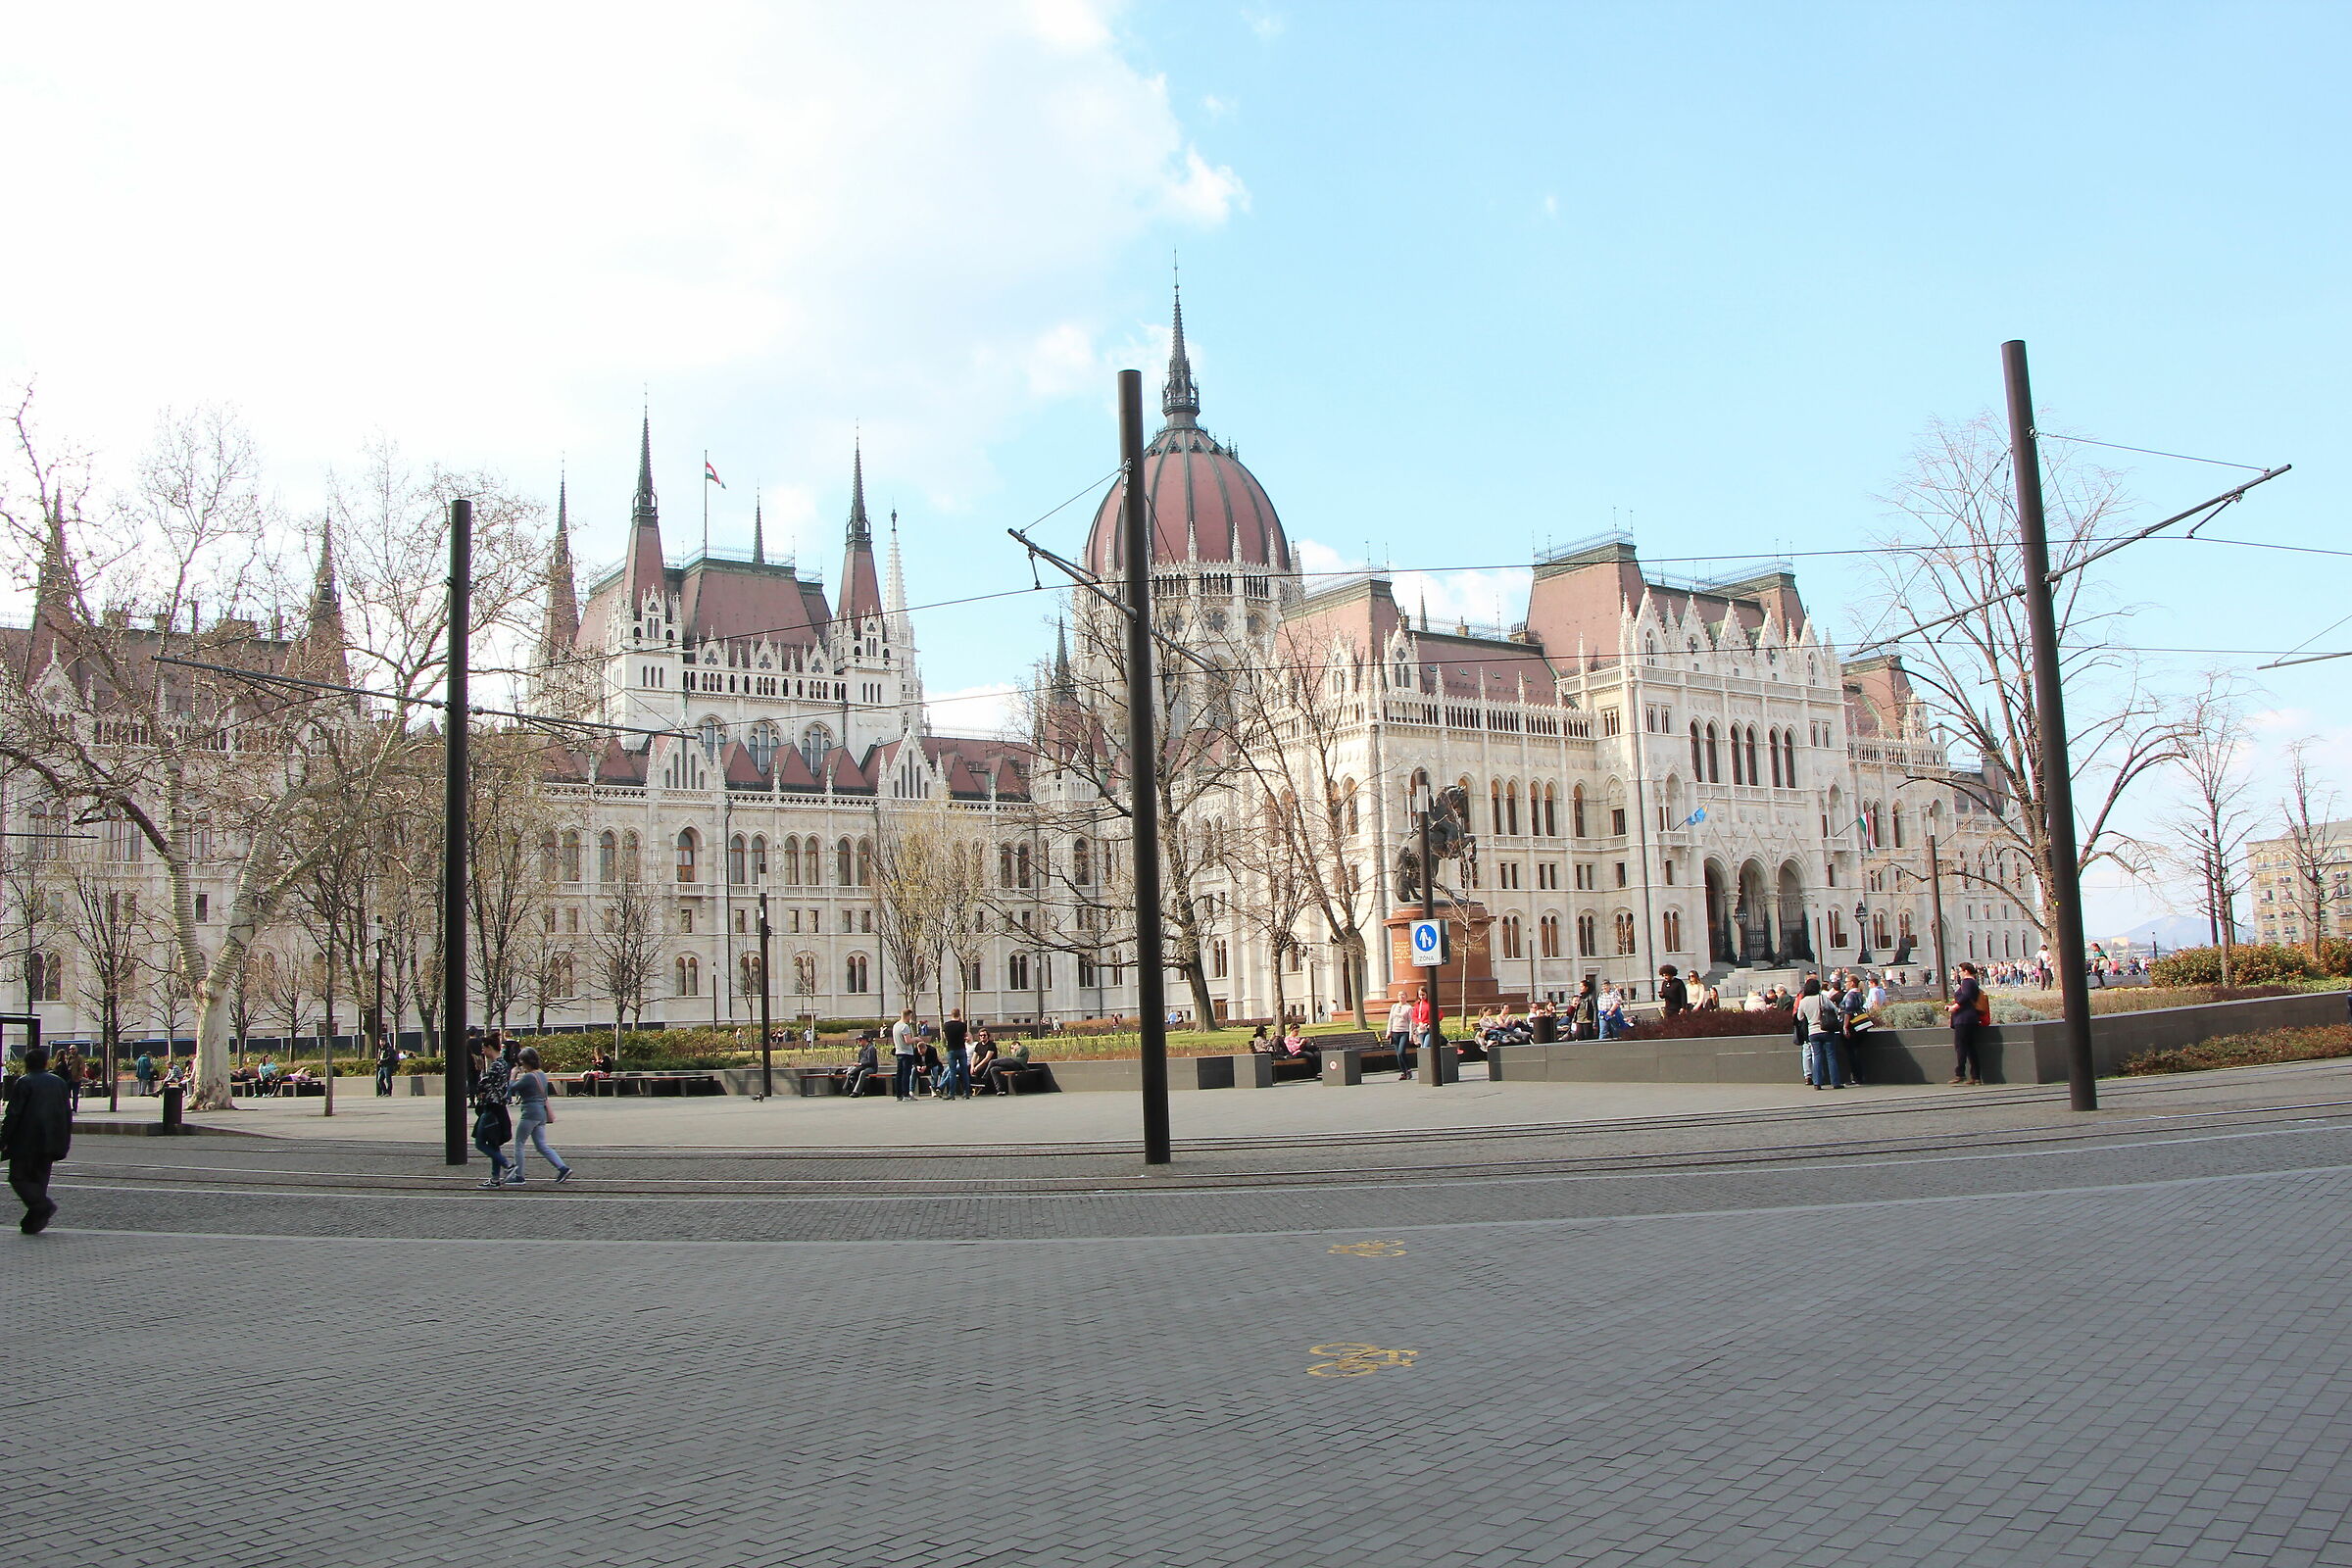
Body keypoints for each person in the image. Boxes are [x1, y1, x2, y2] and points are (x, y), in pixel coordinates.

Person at [2, 1045, 72, 1235]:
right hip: (51, 1139)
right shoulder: (58, 1082)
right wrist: (65, 1138)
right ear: (45, 1062)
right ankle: (33, 1221)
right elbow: (66, 1113)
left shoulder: (25, 1082)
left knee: (18, 1177)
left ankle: (42, 1206)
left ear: (27, 1064)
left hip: (26, 1140)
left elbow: (14, 1114)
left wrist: (3, 1139)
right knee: (40, 1179)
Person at [503, 1047, 571, 1185]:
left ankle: (519, 1176)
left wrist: (512, 1075)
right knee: (541, 1145)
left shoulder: (529, 1077)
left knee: (519, 1143)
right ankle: (562, 1167)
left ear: (525, 1062)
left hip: (530, 1112)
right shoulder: (541, 1074)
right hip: (541, 1113)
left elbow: (511, 1088)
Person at [468, 1040, 514, 1188]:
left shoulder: (496, 1065)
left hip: (491, 1107)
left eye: (484, 1048)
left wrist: (481, 1078)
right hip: (498, 1106)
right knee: (493, 1143)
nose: (482, 1051)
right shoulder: (503, 1064)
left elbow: (483, 1084)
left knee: (480, 1142)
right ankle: (495, 1179)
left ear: (489, 1048)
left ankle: (508, 1165)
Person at [1795, 977, 1842, 1090]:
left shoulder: (1803, 1001)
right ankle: (1835, 1082)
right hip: (1826, 1030)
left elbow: (1800, 1017)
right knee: (1831, 1056)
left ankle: (1817, 1082)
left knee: (1817, 1056)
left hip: (1812, 1032)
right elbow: (1835, 1010)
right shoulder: (1822, 998)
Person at [1949, 962, 1986, 1086]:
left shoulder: (1967, 982)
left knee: (1961, 1046)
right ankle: (1975, 1077)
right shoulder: (1973, 982)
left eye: (1960, 970)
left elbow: (1966, 996)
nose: (1959, 973)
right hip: (1971, 1018)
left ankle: (1960, 1074)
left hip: (1963, 1019)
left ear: (1965, 971)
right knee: (1971, 1048)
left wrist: (1955, 1006)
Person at [941, 1008, 971, 1101]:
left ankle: (951, 1093)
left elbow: (944, 1037)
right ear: (959, 1015)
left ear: (951, 1015)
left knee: (952, 1072)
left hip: (951, 1050)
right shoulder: (962, 1025)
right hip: (961, 1049)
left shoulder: (946, 1025)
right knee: (964, 1071)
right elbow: (966, 1035)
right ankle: (966, 1092)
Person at [890, 1008, 920, 1102]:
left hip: (898, 1052)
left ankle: (899, 1095)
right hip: (907, 1053)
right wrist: (916, 1039)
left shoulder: (896, 1026)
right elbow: (908, 1041)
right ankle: (906, 1094)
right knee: (906, 1074)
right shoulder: (905, 1027)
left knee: (899, 1074)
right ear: (908, 1016)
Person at [1407, 985, 1435, 1080]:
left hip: (1429, 1028)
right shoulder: (1417, 1005)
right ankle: (1426, 1069)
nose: (1422, 997)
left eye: (1423, 995)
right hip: (1421, 1028)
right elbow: (1414, 1016)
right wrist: (1419, 1022)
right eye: (1420, 995)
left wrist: (1429, 1023)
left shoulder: (1430, 1004)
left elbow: (1439, 1015)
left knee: (1425, 1047)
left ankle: (1429, 1069)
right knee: (1423, 1047)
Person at [1384, 997, 1413, 1064]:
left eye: (1403, 995)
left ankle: (1408, 1069)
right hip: (1395, 1032)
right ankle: (1404, 1072)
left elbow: (1411, 1022)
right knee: (1398, 1055)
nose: (1401, 997)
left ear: (1406, 997)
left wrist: (1411, 1035)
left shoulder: (1408, 1007)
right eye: (1399, 995)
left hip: (1404, 1032)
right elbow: (1391, 1019)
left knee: (1401, 1052)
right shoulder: (1394, 1006)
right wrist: (1388, 1032)